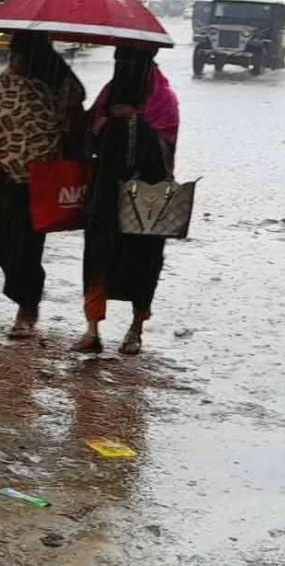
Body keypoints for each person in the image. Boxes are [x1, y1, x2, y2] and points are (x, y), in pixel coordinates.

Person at [0, 32, 86, 338]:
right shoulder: (4, 81)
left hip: (39, 178)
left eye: (19, 57)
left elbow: (75, 122)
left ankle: (27, 309)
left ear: (34, 57)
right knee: (1, 245)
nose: (14, 63)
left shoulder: (61, 85)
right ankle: (25, 299)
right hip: (1, 176)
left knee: (27, 249)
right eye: (12, 57)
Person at [75, 46, 180, 356]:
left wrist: (135, 120)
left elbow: (166, 147)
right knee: (97, 258)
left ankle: (136, 330)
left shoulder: (164, 99)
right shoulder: (110, 95)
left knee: (143, 262)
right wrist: (104, 120)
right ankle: (92, 329)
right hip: (105, 192)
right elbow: (89, 134)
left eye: (131, 62)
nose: (125, 68)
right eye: (120, 62)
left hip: (147, 194)